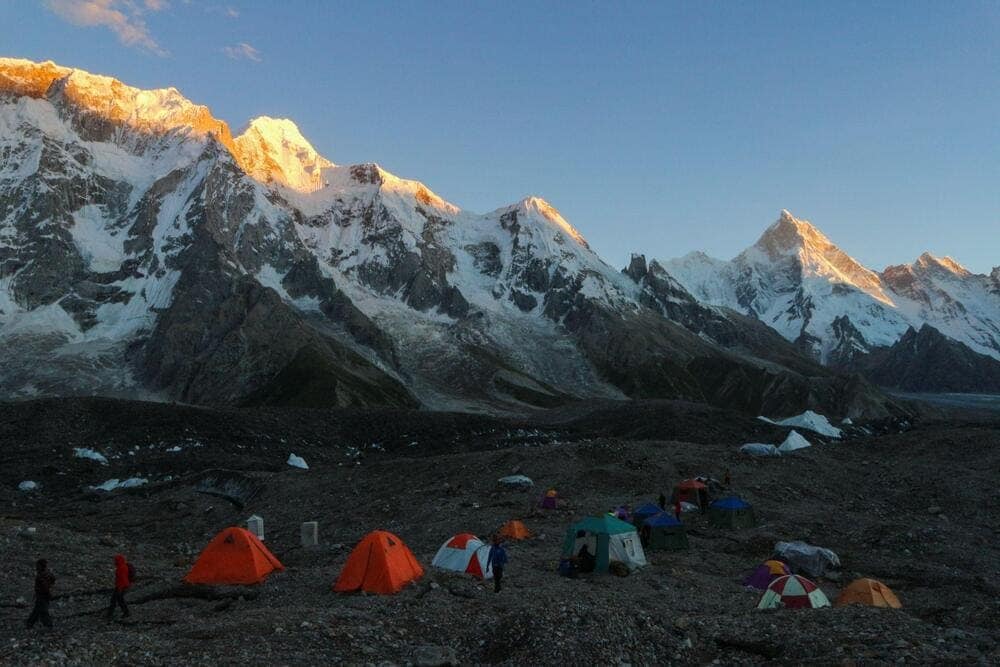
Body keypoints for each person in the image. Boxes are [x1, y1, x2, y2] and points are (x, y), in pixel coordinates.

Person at [26, 559, 55, 630]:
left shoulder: (41, 575)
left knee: (42, 611)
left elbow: (45, 586)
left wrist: (47, 591)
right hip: (42, 595)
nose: (36, 568)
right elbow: (52, 580)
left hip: (42, 595)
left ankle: (48, 625)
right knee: (37, 610)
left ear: (41, 566)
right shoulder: (46, 574)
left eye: (38, 566)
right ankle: (30, 623)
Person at [107, 554, 131, 620]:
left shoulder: (121, 568)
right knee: (117, 599)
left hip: (121, 586)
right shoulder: (123, 566)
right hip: (123, 586)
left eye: (116, 560)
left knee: (117, 600)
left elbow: (122, 579)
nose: (114, 562)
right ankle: (111, 613)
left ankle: (125, 613)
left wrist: (120, 588)